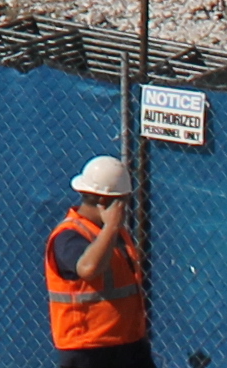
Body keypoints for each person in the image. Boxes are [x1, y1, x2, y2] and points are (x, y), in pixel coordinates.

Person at [42, 155, 150, 367]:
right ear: (104, 202)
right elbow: (88, 268)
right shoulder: (68, 236)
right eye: (122, 201)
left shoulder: (112, 233)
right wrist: (111, 227)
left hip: (127, 343)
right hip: (88, 348)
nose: (125, 208)